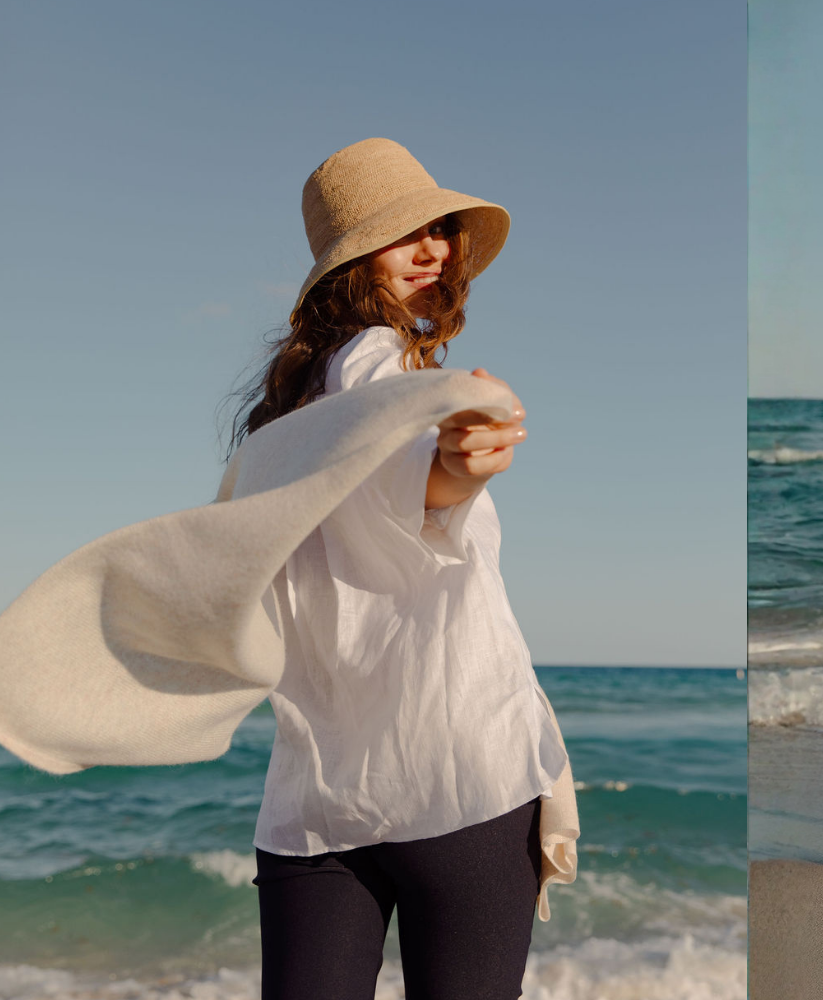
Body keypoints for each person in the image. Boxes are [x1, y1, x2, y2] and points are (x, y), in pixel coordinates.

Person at [228, 138, 570, 998]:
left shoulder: (280, 421)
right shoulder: (378, 369)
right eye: (404, 234)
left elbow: (412, 473)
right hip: (459, 773)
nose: (435, 250)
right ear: (350, 263)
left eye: (440, 230)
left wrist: (455, 459)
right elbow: (413, 464)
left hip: (319, 796)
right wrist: (458, 461)